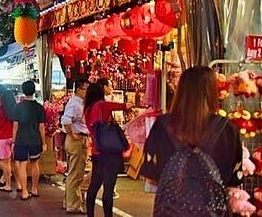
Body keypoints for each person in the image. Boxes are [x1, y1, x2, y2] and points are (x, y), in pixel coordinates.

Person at [140, 66, 242, 213]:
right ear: (212, 92)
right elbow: (233, 182)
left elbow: (151, 177)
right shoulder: (229, 130)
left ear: (181, 91)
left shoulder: (162, 126)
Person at [84, 83, 133, 217]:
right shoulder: (102, 105)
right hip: (109, 152)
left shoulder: (87, 109)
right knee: (108, 187)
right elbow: (124, 106)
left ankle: (90, 214)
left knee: (94, 186)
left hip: (96, 151)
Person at [12, 80, 46, 200]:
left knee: (22, 165)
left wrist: (13, 141)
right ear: (34, 91)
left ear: (23, 91)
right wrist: (44, 142)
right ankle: (35, 189)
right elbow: (41, 127)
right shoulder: (39, 107)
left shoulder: (18, 107)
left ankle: (25, 191)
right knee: (35, 163)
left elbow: (15, 126)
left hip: (21, 139)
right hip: (35, 139)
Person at [61, 78, 90, 214]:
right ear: (78, 90)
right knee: (76, 173)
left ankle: (69, 201)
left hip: (77, 139)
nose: (87, 92)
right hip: (77, 140)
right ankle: (73, 204)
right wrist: (72, 134)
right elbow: (66, 120)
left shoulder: (79, 103)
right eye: (86, 89)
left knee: (74, 172)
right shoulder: (75, 104)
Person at [0, 84, 15, 192]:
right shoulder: (15, 108)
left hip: (3, 137)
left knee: (5, 163)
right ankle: (17, 184)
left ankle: (8, 185)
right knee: (10, 162)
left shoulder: (0, 108)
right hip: (13, 137)